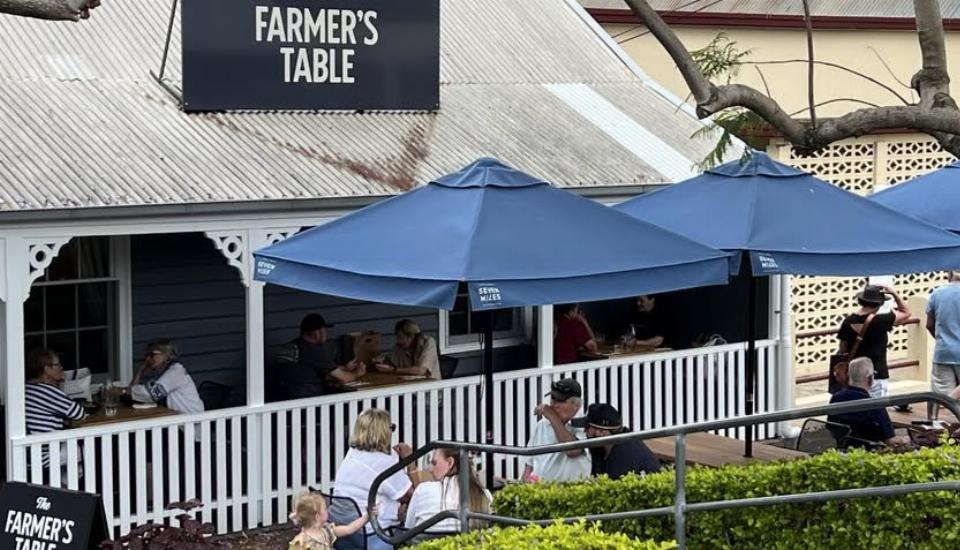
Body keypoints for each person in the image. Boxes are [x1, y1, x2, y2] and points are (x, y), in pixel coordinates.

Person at [333, 409, 415, 550]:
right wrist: (410, 459)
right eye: (391, 428)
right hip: (371, 533)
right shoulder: (384, 463)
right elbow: (412, 495)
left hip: (342, 530)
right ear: (384, 432)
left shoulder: (352, 454)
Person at [836, 285, 911, 398]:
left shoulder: (848, 322)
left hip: (854, 374)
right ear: (879, 304)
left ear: (861, 301)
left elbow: (843, 349)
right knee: (876, 408)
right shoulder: (881, 320)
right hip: (876, 372)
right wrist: (894, 294)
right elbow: (906, 313)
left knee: (856, 407)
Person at [275, 314, 365, 399]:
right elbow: (345, 378)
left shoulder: (296, 345)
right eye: (324, 330)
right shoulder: (312, 350)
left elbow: (319, 371)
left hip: (288, 400)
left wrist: (345, 368)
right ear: (316, 333)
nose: (326, 334)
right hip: (309, 401)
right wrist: (357, 372)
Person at [827, 358, 910, 448]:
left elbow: (830, 426)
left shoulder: (836, 398)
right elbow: (890, 440)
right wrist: (907, 439)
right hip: (870, 453)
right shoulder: (874, 405)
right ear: (870, 378)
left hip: (843, 447)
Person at [404, 447, 492, 532]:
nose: (430, 469)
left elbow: (408, 529)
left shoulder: (423, 489)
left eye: (434, 463)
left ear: (450, 462)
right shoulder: (485, 495)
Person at [521, 378, 591, 482]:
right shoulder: (541, 426)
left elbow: (572, 450)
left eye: (561, 401)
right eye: (553, 398)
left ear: (576, 405)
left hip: (568, 493)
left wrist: (553, 417)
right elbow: (529, 465)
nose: (554, 405)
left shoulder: (584, 426)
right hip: (538, 491)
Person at [25, 349, 85, 466]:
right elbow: (79, 413)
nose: (61, 367)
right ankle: (69, 483)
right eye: (57, 365)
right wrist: (60, 384)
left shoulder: (27, 388)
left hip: (28, 452)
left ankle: (63, 483)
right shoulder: (47, 391)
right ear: (47, 370)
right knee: (84, 450)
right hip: (44, 456)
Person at [579, 403, 660, 479]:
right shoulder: (602, 449)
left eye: (587, 427)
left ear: (601, 432)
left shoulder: (624, 453)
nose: (584, 431)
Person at [130, 339, 204, 415]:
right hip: (179, 420)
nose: (147, 359)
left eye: (152, 355)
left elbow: (150, 395)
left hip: (192, 422)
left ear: (166, 355)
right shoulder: (163, 372)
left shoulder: (175, 372)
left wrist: (125, 391)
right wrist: (140, 372)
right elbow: (138, 395)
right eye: (146, 355)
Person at [288, 490, 369, 550]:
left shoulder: (327, 530)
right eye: (325, 509)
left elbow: (348, 529)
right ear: (317, 516)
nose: (328, 510)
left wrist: (366, 517)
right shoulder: (302, 542)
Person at [927, 271, 960, 400]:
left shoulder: (937, 293)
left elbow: (929, 324)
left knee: (943, 402)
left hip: (943, 352)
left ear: (949, 275)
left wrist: (942, 340)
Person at [374, 319, 440, 379]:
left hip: (431, 387)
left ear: (411, 336)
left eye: (400, 337)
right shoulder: (399, 346)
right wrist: (382, 362)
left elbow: (421, 370)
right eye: (397, 337)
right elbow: (392, 364)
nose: (398, 341)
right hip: (409, 386)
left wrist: (394, 369)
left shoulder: (428, 342)